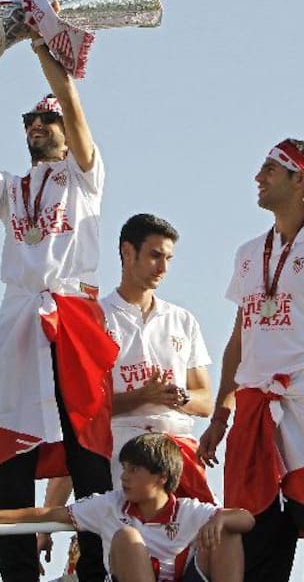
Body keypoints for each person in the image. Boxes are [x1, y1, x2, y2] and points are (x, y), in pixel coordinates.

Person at [0, 10, 117, 580]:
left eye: (46, 120)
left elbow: (69, 100)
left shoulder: (84, 176)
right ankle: (17, 569)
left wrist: (39, 46)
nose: (37, 126)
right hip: (18, 317)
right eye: (29, 121)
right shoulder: (12, 190)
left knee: (86, 443)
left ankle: (95, 565)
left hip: (71, 311)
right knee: (12, 447)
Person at [199, 138, 304, 581]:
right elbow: (239, 339)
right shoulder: (249, 251)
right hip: (253, 410)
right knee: (255, 536)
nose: (258, 178)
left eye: (269, 171)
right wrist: (221, 413)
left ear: (300, 180)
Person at [0, 433, 254, 582]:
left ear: (162, 476)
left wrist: (221, 519)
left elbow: (247, 519)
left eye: (134, 470)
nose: (123, 476)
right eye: (123, 468)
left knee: (228, 530)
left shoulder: (187, 510)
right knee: (126, 537)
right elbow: (47, 514)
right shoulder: (110, 506)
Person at [102, 214, 214, 502]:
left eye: (169, 258)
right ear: (128, 252)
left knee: (202, 538)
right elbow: (83, 409)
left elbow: (205, 401)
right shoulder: (96, 317)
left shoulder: (182, 320)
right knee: (131, 541)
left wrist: (180, 398)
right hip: (123, 455)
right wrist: (143, 396)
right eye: (155, 256)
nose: (163, 267)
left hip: (178, 451)